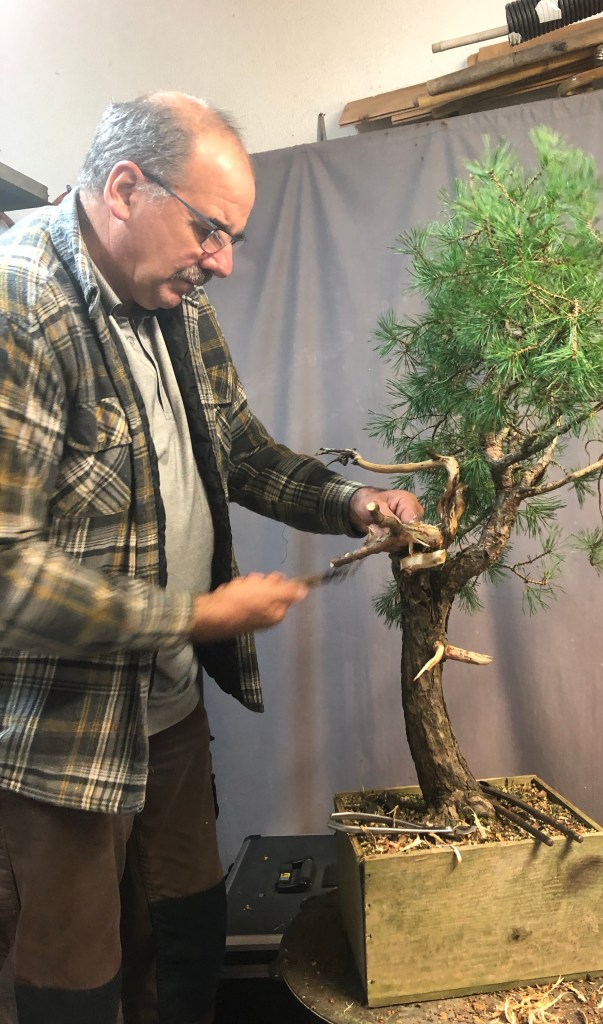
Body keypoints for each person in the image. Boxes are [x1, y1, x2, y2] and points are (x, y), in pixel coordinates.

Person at [0, 92, 422, 1024]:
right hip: (59, 737)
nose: (222, 262)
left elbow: (240, 449)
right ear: (125, 189)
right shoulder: (19, 304)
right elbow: (7, 572)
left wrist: (355, 504)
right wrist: (194, 616)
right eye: (210, 230)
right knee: (74, 984)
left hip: (170, 708)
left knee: (187, 938)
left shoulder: (174, 300)